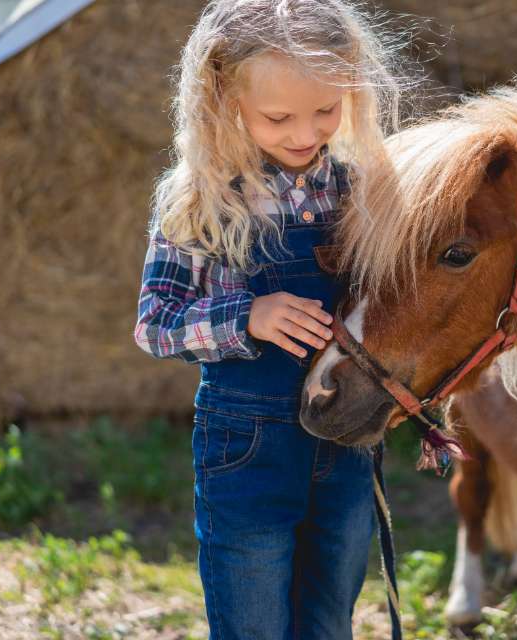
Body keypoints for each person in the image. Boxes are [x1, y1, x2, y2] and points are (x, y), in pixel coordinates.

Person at [133, 1, 406, 638]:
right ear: (224, 98)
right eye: (278, 117)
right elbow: (154, 322)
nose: (305, 133)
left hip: (343, 440)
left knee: (328, 616)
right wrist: (246, 315)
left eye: (326, 111)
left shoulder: (358, 188)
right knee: (253, 619)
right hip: (245, 447)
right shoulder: (202, 197)